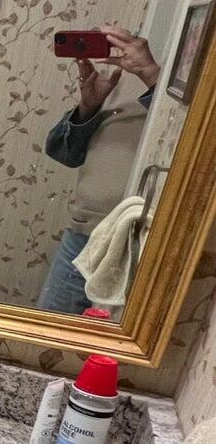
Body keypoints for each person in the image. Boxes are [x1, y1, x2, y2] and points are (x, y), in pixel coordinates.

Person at [37, 24, 161, 314]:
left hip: (138, 244)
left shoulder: (170, 89)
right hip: (83, 234)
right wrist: (88, 107)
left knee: (107, 350)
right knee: (49, 337)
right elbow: (64, 153)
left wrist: (152, 76)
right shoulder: (117, 81)